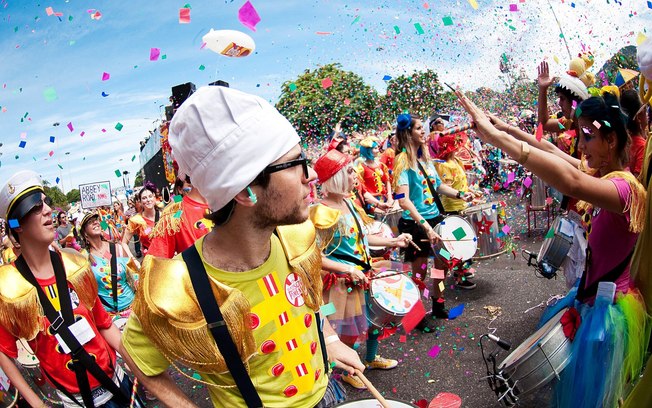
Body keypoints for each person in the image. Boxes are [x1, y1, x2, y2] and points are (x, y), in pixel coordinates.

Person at [119, 86, 363, 408]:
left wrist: (330, 339)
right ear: (246, 192)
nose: (312, 174)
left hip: (328, 394)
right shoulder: (178, 287)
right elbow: (134, 355)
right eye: (294, 164)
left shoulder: (297, 236)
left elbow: (311, 299)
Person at [457, 90, 649, 408]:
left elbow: (571, 182)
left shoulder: (624, 189)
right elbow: (547, 148)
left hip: (607, 314)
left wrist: (496, 139)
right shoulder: (606, 175)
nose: (581, 144)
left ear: (611, 139)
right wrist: (501, 127)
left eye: (588, 136)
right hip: (588, 299)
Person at [0, 170, 140, 408]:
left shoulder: (76, 264)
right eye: (35, 206)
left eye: (46, 202)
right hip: (74, 401)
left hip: (117, 384)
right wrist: (36, 402)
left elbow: (103, 323)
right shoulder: (7, 287)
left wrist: (139, 365)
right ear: (16, 225)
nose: (47, 210)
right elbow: (4, 352)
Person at [311, 149, 412, 390]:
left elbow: (363, 236)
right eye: (348, 171)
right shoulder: (320, 212)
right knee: (349, 328)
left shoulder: (349, 202)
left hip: (365, 273)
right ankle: (347, 370)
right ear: (334, 177)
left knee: (376, 320)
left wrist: (392, 242)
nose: (355, 174)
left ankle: (371, 358)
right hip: (343, 283)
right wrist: (346, 269)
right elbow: (314, 256)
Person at [392, 113, 475, 325]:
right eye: (419, 128)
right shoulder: (402, 160)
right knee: (418, 272)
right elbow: (403, 200)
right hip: (416, 225)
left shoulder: (425, 158)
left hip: (437, 220)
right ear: (407, 133)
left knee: (442, 265)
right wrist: (425, 226)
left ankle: (438, 304)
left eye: (423, 128)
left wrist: (460, 194)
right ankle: (417, 314)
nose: (423, 132)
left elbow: (437, 185)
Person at [80, 211, 139, 323]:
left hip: (133, 308)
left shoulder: (117, 248)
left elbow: (134, 274)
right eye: (90, 222)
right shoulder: (84, 258)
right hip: (110, 316)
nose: (95, 223)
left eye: (96, 220)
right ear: (84, 234)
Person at [536, 59, 591, 158]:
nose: (560, 104)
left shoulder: (594, 123)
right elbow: (544, 124)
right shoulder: (569, 122)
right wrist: (542, 89)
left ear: (575, 102)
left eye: (562, 99)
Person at [147, 176, 212, 258]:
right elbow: (175, 213)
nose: (191, 187)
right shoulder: (176, 201)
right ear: (180, 189)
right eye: (188, 184)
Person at [356, 136, 394, 214]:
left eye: (378, 148)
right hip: (372, 202)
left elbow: (387, 181)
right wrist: (376, 203)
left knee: (402, 197)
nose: (378, 150)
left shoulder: (381, 165)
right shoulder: (361, 168)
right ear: (368, 151)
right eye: (375, 148)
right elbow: (362, 189)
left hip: (385, 198)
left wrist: (390, 197)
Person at [121, 183, 159, 257]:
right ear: (140, 201)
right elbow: (124, 243)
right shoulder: (136, 220)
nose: (148, 200)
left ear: (154, 197)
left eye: (150, 196)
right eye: (144, 198)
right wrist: (134, 260)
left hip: (169, 260)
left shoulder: (164, 214)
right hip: (151, 262)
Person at [619, 89, 648, 177]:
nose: (646, 114)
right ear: (638, 117)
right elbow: (637, 183)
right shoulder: (642, 147)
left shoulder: (622, 139)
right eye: (644, 109)